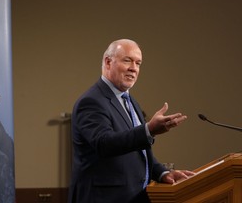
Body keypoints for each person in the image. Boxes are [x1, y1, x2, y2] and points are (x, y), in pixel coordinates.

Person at [67, 39, 194, 203]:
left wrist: (162, 173)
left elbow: (138, 152)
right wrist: (148, 130)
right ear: (108, 62)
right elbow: (104, 143)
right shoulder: (92, 101)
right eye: (127, 60)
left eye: (138, 63)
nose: (133, 68)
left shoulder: (129, 100)